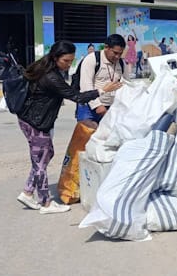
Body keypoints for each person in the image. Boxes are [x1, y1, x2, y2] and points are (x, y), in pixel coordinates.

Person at [16, 40, 122, 214]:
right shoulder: (50, 76)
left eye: (71, 61)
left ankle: (28, 192)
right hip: (35, 122)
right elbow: (76, 97)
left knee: (45, 155)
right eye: (65, 61)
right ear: (55, 57)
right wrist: (102, 90)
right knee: (41, 161)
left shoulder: (50, 69)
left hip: (36, 120)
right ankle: (46, 203)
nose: (68, 64)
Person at [76, 34, 131, 123]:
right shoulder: (92, 59)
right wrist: (97, 105)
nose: (117, 57)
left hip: (110, 107)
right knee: (86, 133)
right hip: (88, 107)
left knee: (107, 136)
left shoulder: (121, 63)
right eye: (115, 53)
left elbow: (127, 84)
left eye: (120, 54)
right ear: (106, 47)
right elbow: (86, 86)